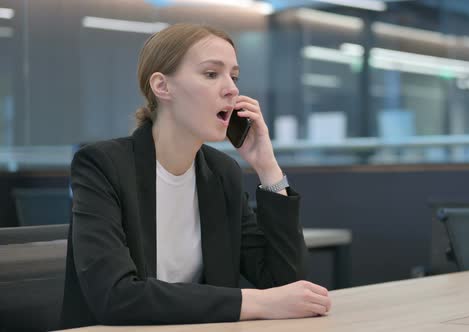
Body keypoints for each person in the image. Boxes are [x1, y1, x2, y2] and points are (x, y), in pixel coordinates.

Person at [60, 23, 331, 329]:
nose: (232, 88)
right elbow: (116, 296)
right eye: (211, 74)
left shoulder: (221, 173)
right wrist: (254, 302)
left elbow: (286, 283)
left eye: (234, 76)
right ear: (162, 87)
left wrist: (268, 168)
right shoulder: (102, 165)